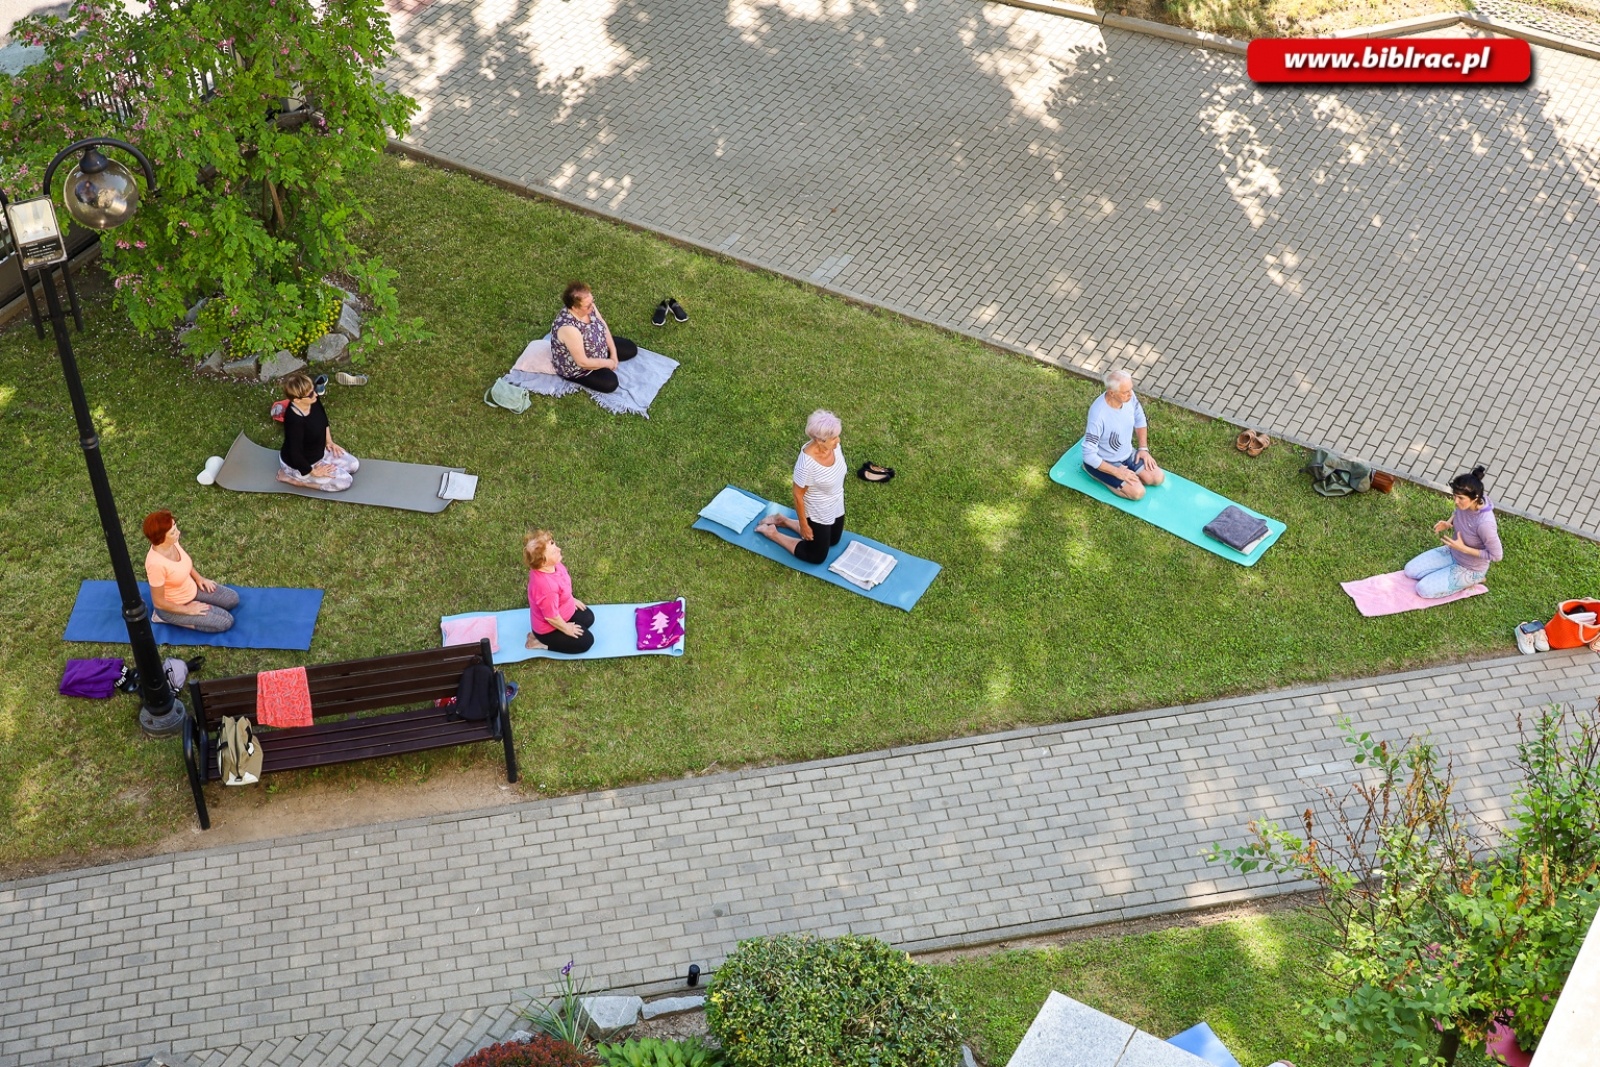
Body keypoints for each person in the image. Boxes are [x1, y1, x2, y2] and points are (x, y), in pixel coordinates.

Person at [757, 410, 847, 565]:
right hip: (818, 510)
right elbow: (798, 495)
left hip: (837, 502)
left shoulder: (833, 447)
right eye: (833, 438)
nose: (838, 441)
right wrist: (804, 525)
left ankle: (783, 520)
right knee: (816, 556)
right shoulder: (806, 464)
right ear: (819, 440)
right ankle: (773, 533)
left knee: (833, 541)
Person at [1404, 466, 1503, 597]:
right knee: (1410, 570)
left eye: (1460, 498)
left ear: (1475, 498)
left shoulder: (1485, 524)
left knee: (1423, 589)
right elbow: (1458, 512)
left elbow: (1497, 556)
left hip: (1470, 568)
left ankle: (1477, 578)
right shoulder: (1469, 501)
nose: (1456, 501)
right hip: (1452, 552)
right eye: (1455, 496)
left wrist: (1464, 549)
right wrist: (1449, 522)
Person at [141, 510, 240, 632]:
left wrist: (199, 579)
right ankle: (163, 618)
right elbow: (159, 602)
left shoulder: (172, 542)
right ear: (161, 538)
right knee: (225, 622)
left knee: (232, 599)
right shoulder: (155, 564)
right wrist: (188, 610)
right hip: (173, 607)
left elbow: (183, 564)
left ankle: (195, 604)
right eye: (173, 532)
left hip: (191, 589)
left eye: (175, 528)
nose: (178, 533)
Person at [1082, 368, 1165, 501]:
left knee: (1156, 478)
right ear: (1112, 393)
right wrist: (1117, 472)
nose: (1130, 394)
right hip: (1106, 461)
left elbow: (1140, 419)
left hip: (1127, 453)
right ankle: (1094, 472)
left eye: (1130, 389)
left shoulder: (1129, 397)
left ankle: (1128, 473)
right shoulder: (1098, 415)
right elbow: (1088, 455)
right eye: (1125, 392)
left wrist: (1143, 449)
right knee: (1138, 492)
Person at [277, 370, 360, 491]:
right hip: (300, 465)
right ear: (297, 400)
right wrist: (312, 472)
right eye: (310, 394)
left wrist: (329, 442)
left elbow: (323, 420)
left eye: (314, 390)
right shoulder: (294, 421)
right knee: (345, 482)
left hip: (319, 452)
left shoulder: (313, 401)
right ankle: (297, 480)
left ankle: (320, 463)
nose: (315, 395)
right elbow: (295, 454)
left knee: (353, 465)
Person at [549, 281, 637, 394]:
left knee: (630, 349)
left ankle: (601, 358)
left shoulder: (588, 305)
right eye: (588, 306)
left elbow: (602, 325)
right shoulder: (569, 329)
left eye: (592, 301)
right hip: (579, 368)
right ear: (575, 308)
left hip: (596, 345)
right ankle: (590, 371)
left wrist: (613, 353)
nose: (592, 307)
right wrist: (608, 363)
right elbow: (583, 362)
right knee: (610, 383)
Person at [524, 530, 596, 654]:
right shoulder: (547, 588)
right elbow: (551, 617)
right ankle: (538, 642)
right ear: (542, 562)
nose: (559, 549)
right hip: (548, 629)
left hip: (563, 610)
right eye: (553, 551)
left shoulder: (555, 565)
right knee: (586, 642)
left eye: (554, 544)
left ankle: (562, 631)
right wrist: (567, 628)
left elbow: (563, 585)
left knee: (588, 617)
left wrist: (571, 599)